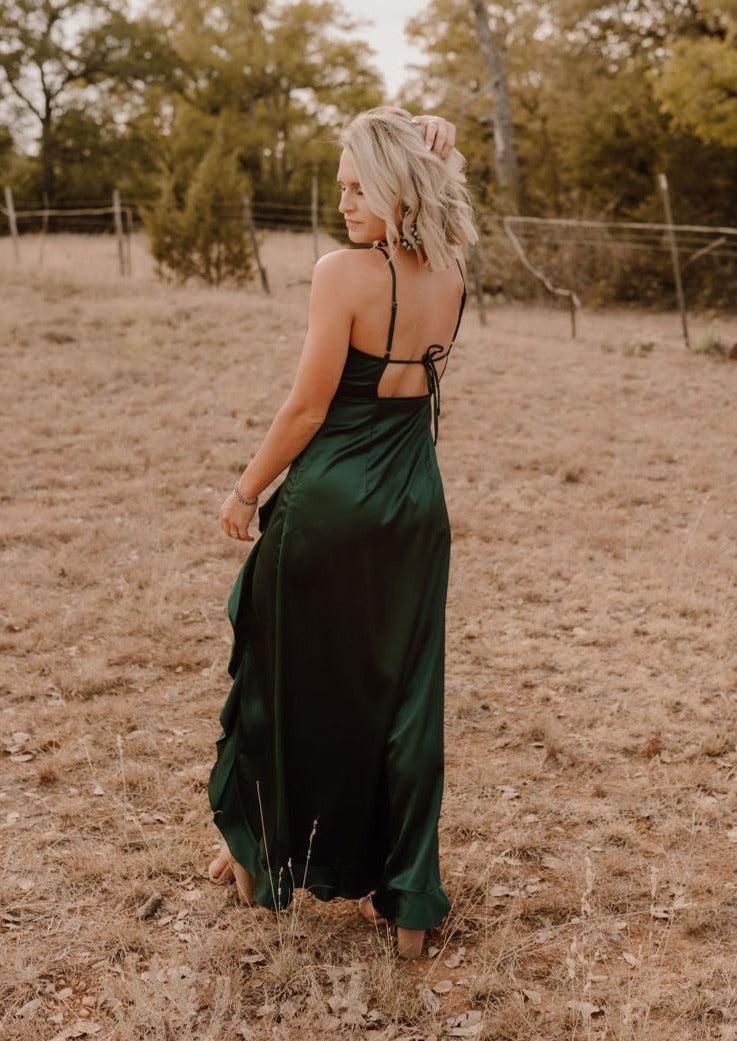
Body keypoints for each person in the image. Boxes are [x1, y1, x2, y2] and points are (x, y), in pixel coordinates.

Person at [206, 106, 479, 960]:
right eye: (341, 188)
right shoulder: (454, 273)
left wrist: (246, 490)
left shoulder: (340, 274)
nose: (345, 203)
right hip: (414, 508)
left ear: (398, 187)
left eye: (361, 188)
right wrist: (434, 135)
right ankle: (409, 904)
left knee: (280, 678)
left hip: (329, 504)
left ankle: (259, 854)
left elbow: (306, 408)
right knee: (405, 700)